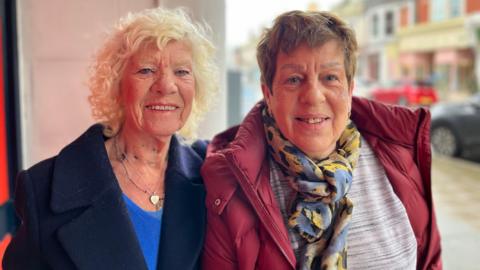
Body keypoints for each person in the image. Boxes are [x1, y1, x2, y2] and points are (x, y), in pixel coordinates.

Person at [201, 10, 442, 270]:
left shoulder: (401, 154)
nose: (314, 96)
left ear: (349, 90)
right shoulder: (231, 182)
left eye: (330, 78)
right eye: (294, 80)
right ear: (268, 94)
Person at [3, 7, 217, 270]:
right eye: (146, 70)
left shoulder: (216, 177)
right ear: (117, 85)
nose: (166, 85)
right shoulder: (42, 188)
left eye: (182, 71)